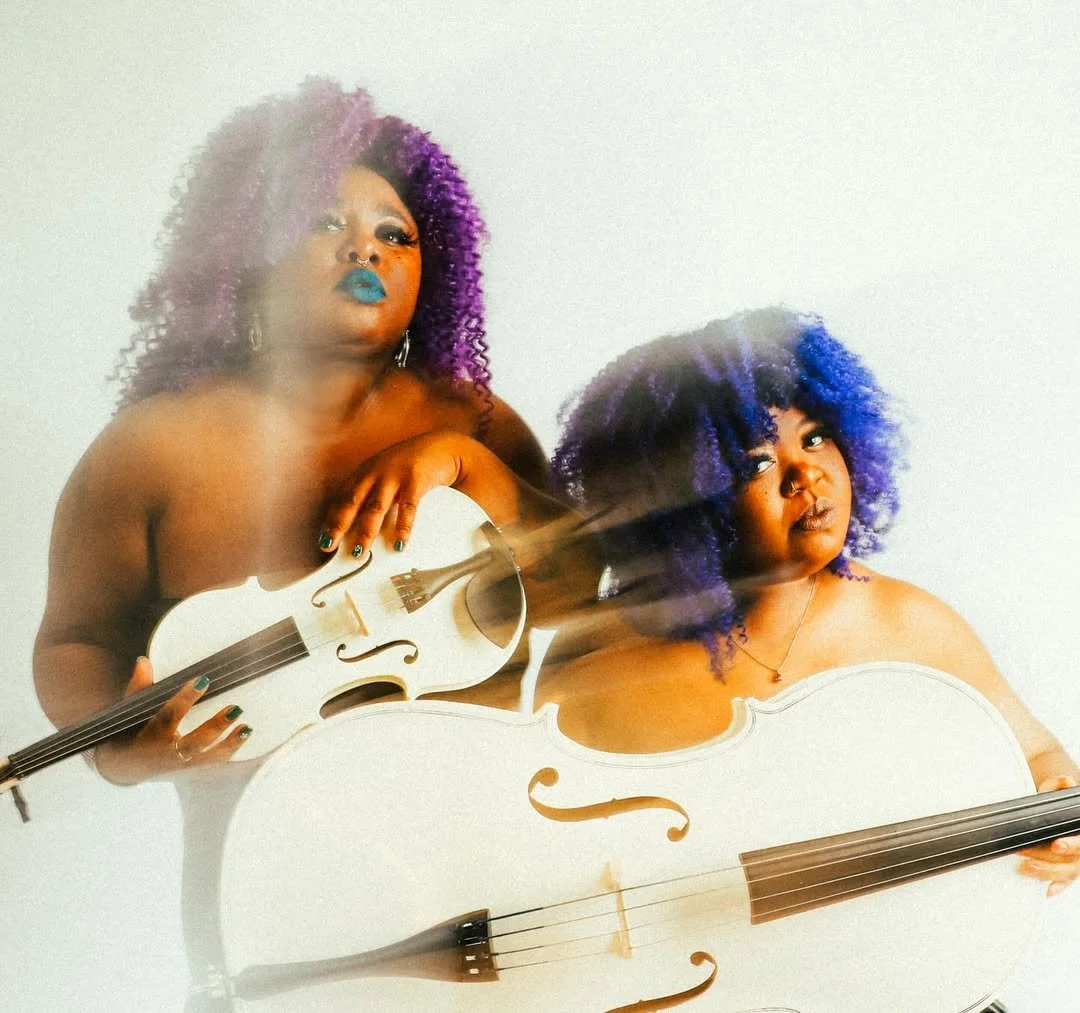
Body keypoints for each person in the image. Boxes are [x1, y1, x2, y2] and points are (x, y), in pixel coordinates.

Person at [337, 308, 1075, 1010]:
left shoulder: (906, 619)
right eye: (757, 462)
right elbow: (501, 821)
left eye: (816, 438)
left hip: (869, 981)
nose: (804, 477)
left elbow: (1036, 750)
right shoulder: (610, 661)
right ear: (687, 504)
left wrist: (1057, 797)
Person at [31, 78, 551, 1008]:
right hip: (262, 888)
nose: (365, 247)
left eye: (398, 235)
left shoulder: (473, 419)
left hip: (485, 858)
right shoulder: (153, 445)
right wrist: (119, 743)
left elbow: (577, 588)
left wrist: (469, 465)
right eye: (324, 223)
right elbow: (76, 639)